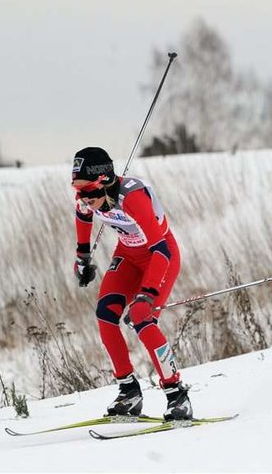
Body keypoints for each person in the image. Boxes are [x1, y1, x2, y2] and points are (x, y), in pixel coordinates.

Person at [70, 146, 192, 421]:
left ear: (104, 181)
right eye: (78, 191)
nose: (83, 198)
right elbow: (82, 216)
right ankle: (129, 391)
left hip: (159, 257)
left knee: (140, 317)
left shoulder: (133, 197)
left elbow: (161, 250)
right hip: (127, 254)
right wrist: (82, 257)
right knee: (105, 314)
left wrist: (147, 295)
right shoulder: (88, 198)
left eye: (87, 191)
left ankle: (177, 395)